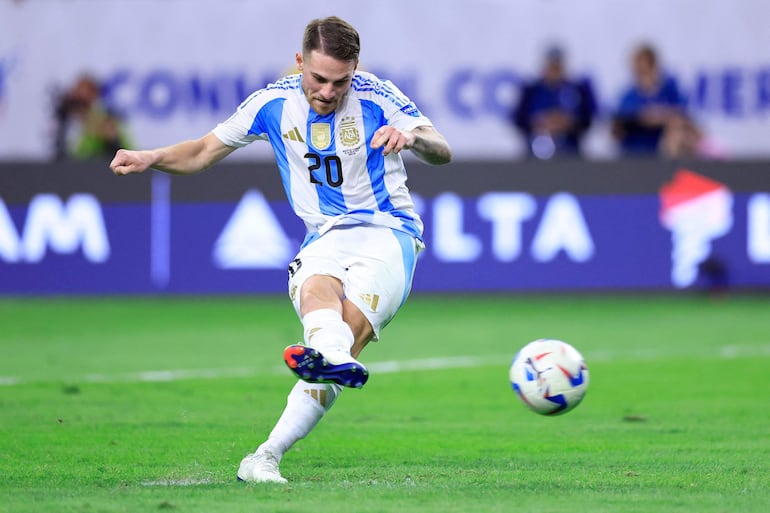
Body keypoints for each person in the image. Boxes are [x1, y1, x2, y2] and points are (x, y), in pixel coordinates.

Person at [109, 16, 451, 484]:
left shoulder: (377, 95)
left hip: (388, 232)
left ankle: (271, 446)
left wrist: (411, 137)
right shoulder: (273, 102)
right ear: (299, 63)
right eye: (318, 79)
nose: (328, 92)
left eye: (340, 81)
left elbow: (441, 148)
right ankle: (272, 445)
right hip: (323, 235)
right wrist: (151, 157)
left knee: (335, 347)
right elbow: (203, 151)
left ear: (356, 70)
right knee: (315, 289)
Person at [511, 46, 596, 159]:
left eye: (558, 66)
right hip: (534, 152)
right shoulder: (531, 91)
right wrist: (539, 122)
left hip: (570, 151)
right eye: (552, 66)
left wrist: (568, 123)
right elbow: (518, 119)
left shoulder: (577, 89)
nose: (555, 71)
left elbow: (588, 119)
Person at [611, 44, 687, 156]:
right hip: (634, 151)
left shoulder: (669, 90)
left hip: (661, 149)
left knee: (678, 132)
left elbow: (681, 115)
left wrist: (660, 116)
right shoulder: (629, 94)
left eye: (642, 64)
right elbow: (620, 123)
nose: (638, 68)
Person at [54, 74, 133, 160]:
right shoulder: (67, 123)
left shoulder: (106, 120)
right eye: (75, 93)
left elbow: (126, 152)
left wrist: (112, 140)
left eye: (83, 95)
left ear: (94, 95)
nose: (77, 97)